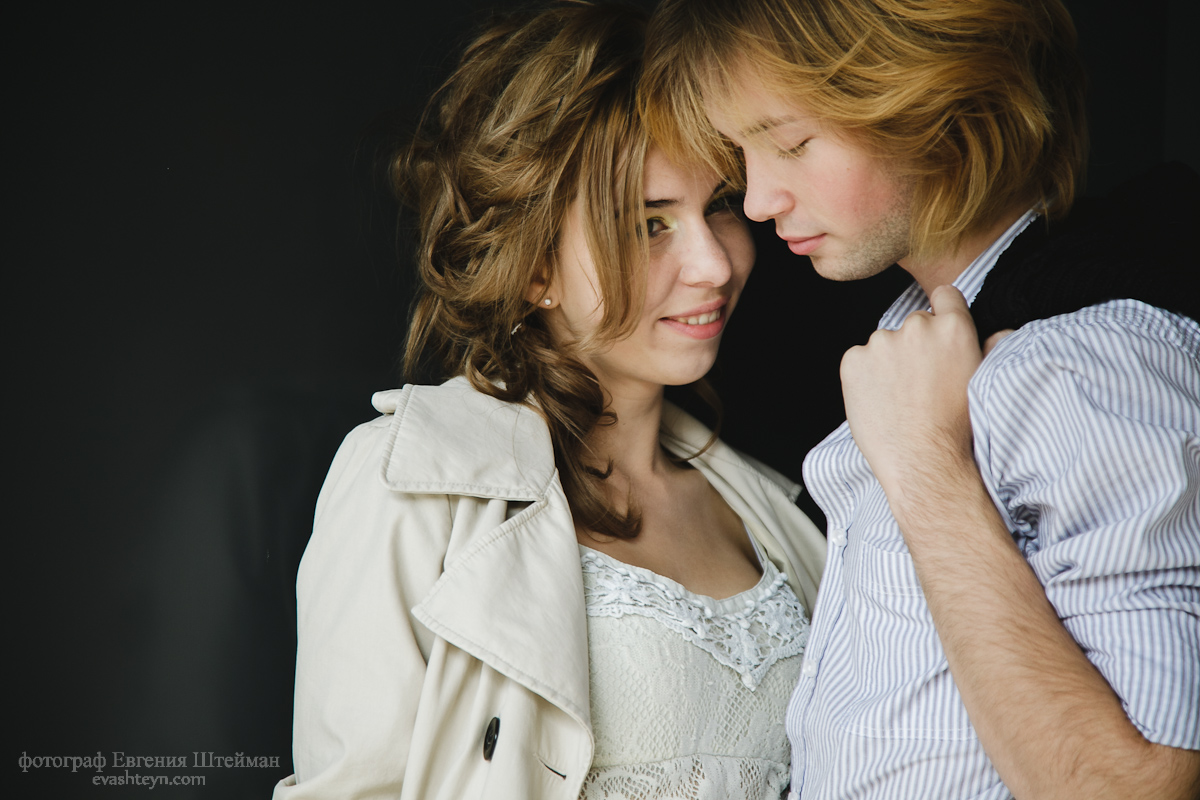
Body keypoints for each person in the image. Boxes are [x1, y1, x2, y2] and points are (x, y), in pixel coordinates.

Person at [641, 1, 1200, 799]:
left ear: (940, 106)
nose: (758, 200)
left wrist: (928, 468)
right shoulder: (923, 337)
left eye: (793, 144)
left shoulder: (1087, 358)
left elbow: (1137, 786)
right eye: (742, 154)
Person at [272, 3, 828, 798]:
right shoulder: (409, 485)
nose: (714, 264)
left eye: (720, 205)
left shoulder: (778, 511)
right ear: (535, 267)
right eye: (649, 224)